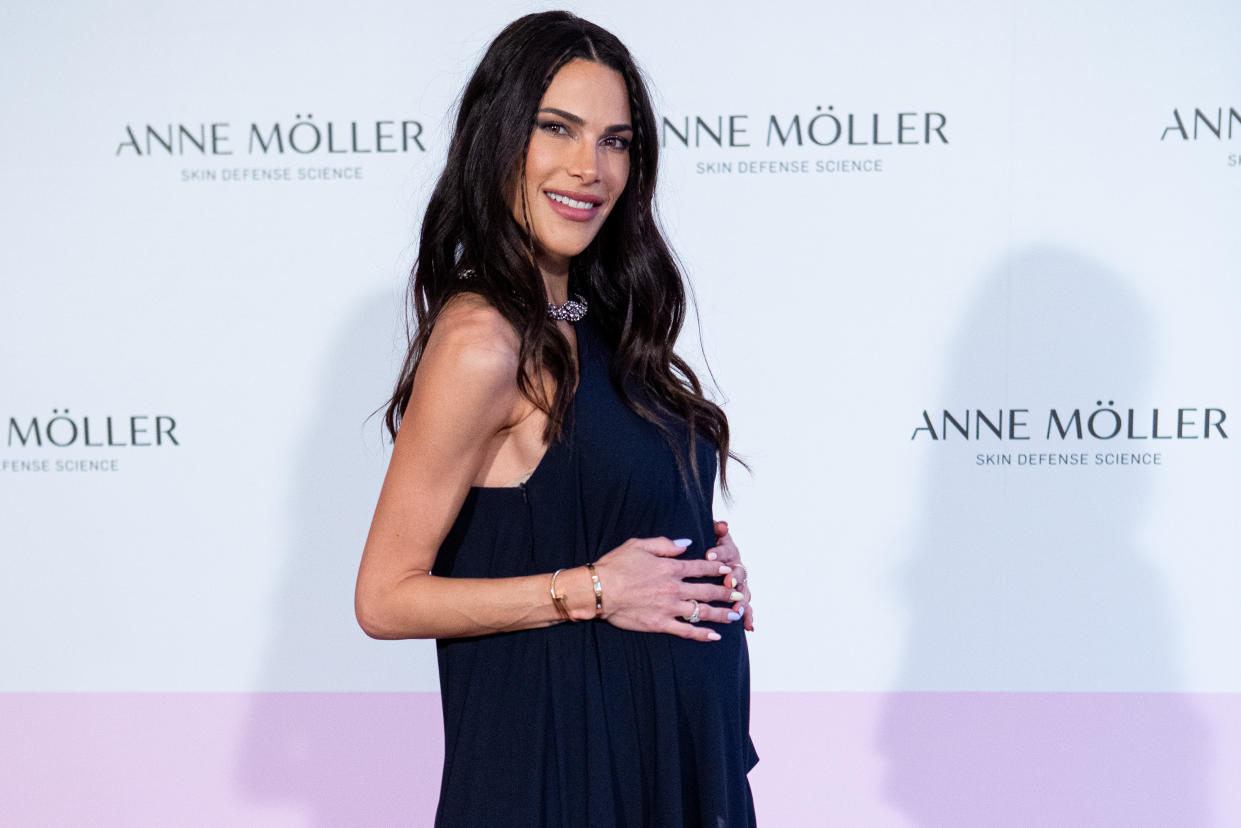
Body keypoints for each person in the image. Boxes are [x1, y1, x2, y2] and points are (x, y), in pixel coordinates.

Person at [355, 11, 757, 826]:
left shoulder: (596, 318)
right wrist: (596, 590)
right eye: (557, 129)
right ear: (500, 138)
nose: (590, 167)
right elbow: (384, 598)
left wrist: (697, 570)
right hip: (559, 776)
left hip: (662, 764)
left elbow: (598, 503)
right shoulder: (481, 340)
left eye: (616, 141)